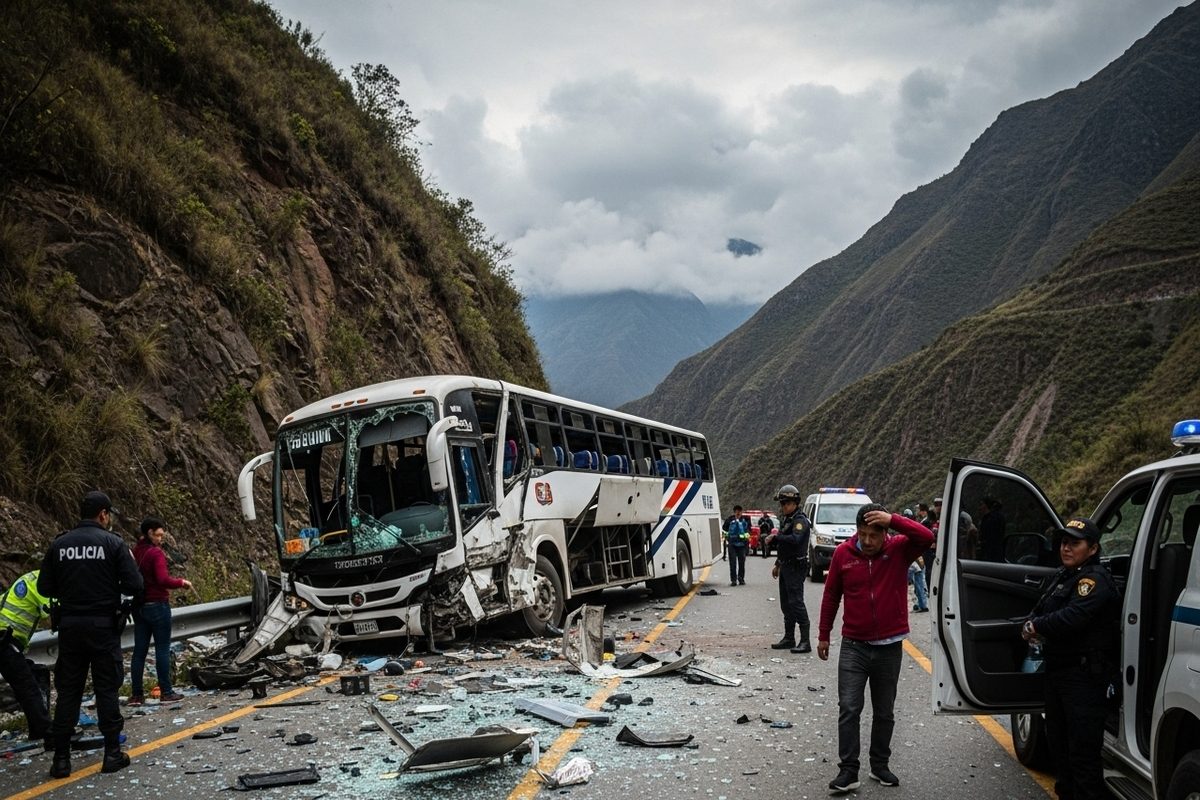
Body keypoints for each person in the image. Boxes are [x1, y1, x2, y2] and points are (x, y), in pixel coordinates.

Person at [817, 504, 934, 793]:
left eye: (874, 535)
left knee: (884, 711)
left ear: (885, 533)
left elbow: (927, 537)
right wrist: (823, 635)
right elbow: (831, 594)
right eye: (862, 534)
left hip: (889, 647)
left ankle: (880, 765)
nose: (867, 541)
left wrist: (894, 519)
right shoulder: (843, 554)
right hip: (853, 646)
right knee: (849, 708)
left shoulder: (899, 550)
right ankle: (848, 771)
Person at [38, 491, 143, 778]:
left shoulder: (60, 544)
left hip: (70, 628)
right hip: (103, 627)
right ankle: (112, 754)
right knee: (106, 689)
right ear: (103, 514)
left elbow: (44, 587)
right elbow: (135, 584)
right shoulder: (113, 543)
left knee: (68, 692)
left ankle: (61, 760)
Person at [1021, 517, 1119, 800]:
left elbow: (1073, 617)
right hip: (1059, 673)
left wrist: (1036, 627)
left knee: (1082, 755)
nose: (1066, 548)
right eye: (1064, 542)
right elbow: (1042, 607)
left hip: (1084, 678)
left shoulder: (1094, 580)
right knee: (1059, 748)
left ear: (1093, 548)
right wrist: (1031, 622)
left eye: (1075, 543)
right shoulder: (1065, 575)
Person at [129, 517, 192, 706]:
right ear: (150, 533)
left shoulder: (135, 551)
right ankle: (166, 692)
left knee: (139, 651)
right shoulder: (156, 553)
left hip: (139, 606)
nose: (160, 539)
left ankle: (136, 695)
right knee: (162, 649)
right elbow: (163, 579)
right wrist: (181, 582)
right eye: (158, 535)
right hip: (157, 605)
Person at [0, 569, 53, 748]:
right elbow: (52, 610)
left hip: (6, 639)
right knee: (28, 687)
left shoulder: (32, 577)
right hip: (5, 641)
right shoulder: (43, 581)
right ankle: (45, 731)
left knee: (34, 675)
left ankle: (38, 729)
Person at [769, 484, 813, 653]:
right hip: (786, 565)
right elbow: (785, 547)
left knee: (796, 603)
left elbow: (795, 540)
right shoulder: (787, 520)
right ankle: (789, 638)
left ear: (795, 503)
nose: (783, 506)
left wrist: (777, 537)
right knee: (786, 604)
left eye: (786, 503)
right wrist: (778, 564)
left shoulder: (800, 521)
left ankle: (805, 641)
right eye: (782, 503)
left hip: (796, 566)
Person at [902, 509, 929, 612]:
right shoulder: (915, 528)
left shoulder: (907, 531)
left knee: (916, 584)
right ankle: (921, 604)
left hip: (914, 561)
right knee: (919, 584)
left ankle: (921, 604)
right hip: (917, 560)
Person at [723, 505, 751, 586]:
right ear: (734, 512)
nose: (738, 513)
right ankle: (734, 580)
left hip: (742, 544)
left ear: (741, 512)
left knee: (741, 563)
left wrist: (746, 544)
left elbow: (748, 531)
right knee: (733, 563)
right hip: (732, 544)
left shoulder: (745, 520)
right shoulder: (729, 520)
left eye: (739, 511)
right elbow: (724, 529)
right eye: (737, 511)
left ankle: (741, 578)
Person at [978, 497, 1006, 562]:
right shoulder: (989, 518)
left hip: (991, 555)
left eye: (981, 504)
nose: (979, 508)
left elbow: (991, 537)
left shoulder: (992, 519)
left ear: (986, 506)